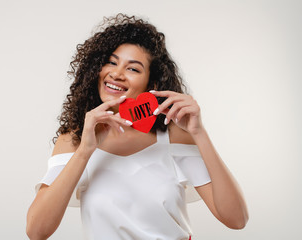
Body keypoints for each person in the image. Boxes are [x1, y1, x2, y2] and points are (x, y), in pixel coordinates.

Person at [26, 13, 249, 240]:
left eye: (133, 69)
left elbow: (236, 219)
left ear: (151, 84)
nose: (117, 73)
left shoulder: (173, 137)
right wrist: (85, 150)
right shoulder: (74, 141)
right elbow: (36, 231)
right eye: (111, 62)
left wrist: (199, 133)